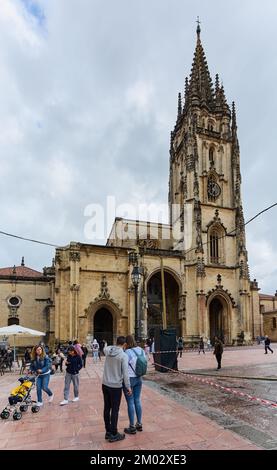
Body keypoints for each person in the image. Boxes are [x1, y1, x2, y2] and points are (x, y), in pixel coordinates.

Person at [102, 336, 131, 443]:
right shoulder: (123, 356)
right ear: (124, 345)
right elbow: (125, 373)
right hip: (115, 386)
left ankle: (108, 431)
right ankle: (114, 433)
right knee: (115, 409)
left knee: (106, 408)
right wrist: (128, 387)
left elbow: (106, 347)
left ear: (116, 343)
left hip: (105, 384)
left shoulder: (108, 351)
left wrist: (114, 346)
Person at [123, 335, 145, 434]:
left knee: (130, 402)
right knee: (137, 400)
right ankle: (139, 423)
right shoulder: (141, 350)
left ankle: (132, 426)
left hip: (130, 379)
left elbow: (123, 367)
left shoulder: (126, 352)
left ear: (126, 343)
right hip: (139, 378)